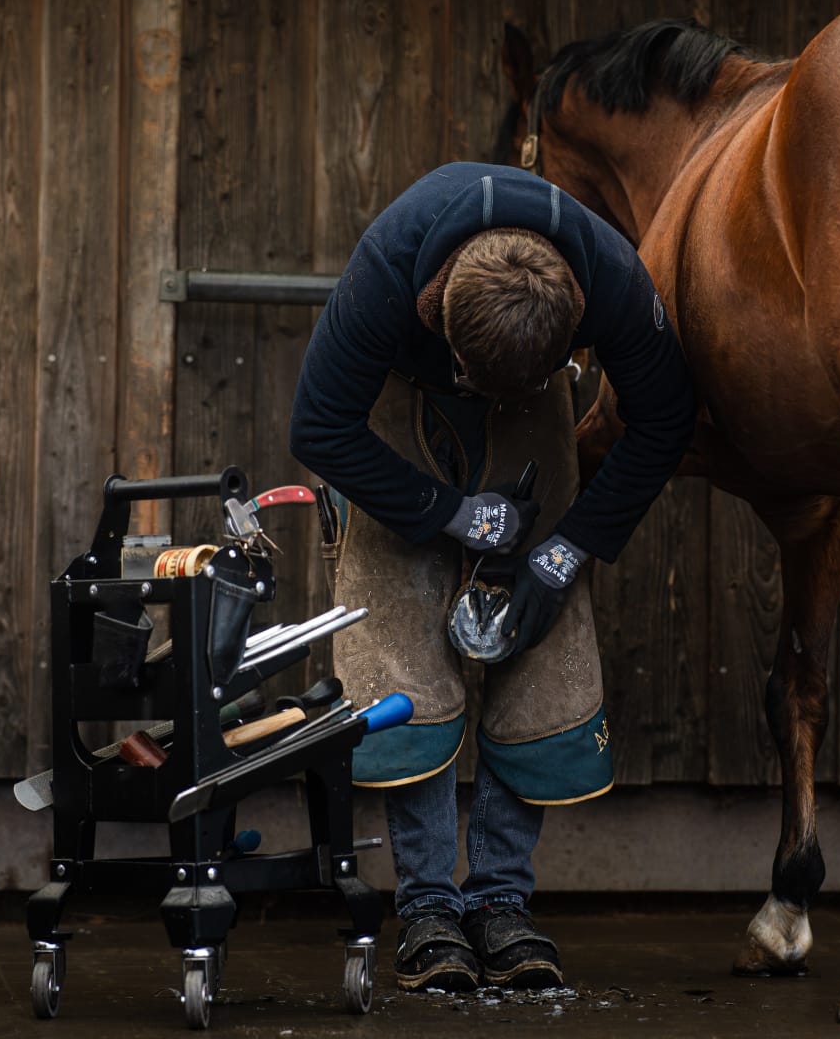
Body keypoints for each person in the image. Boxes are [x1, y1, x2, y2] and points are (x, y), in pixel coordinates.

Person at [290, 162, 694, 992]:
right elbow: (319, 427)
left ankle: (502, 898)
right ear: (439, 319)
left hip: (533, 410)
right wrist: (453, 514)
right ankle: (431, 905)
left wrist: (564, 550)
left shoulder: (611, 279)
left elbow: (667, 415)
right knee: (400, 653)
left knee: (544, 658)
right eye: (472, 374)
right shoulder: (387, 269)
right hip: (395, 414)